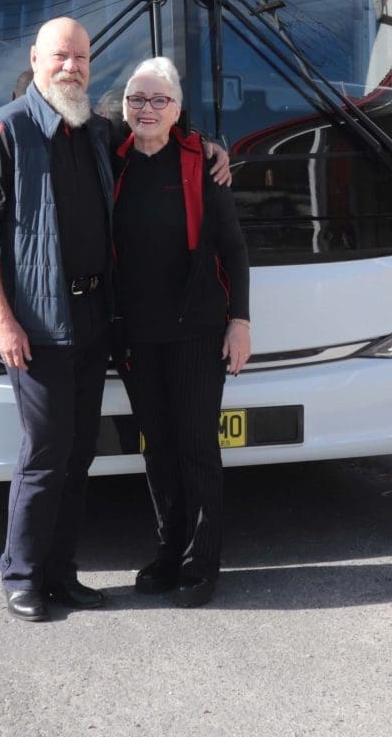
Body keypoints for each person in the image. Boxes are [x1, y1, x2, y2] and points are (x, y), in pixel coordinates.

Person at [0, 20, 233, 622]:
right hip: (38, 325)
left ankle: (60, 574)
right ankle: (23, 575)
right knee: (46, 454)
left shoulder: (92, 130)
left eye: (82, 57)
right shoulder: (5, 131)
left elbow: (158, 123)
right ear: (35, 59)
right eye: (61, 56)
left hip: (94, 320)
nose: (72, 66)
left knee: (79, 454)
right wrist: (3, 321)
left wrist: (212, 145)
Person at [110, 56, 251, 608]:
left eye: (158, 100)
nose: (145, 109)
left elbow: (234, 249)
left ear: (177, 110)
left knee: (196, 446)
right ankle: (168, 553)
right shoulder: (111, 157)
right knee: (157, 449)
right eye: (136, 99)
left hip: (196, 330)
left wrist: (239, 321)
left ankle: (202, 563)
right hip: (135, 334)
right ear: (122, 107)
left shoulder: (201, 162)